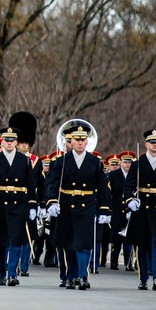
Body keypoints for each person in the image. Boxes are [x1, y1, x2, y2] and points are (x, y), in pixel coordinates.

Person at [46, 124, 111, 290]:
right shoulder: (61, 161)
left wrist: (104, 209)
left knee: (83, 244)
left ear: (87, 142)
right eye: (77, 140)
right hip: (66, 204)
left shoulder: (95, 163)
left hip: (87, 204)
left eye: (83, 140)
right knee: (67, 244)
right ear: (71, 142)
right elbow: (52, 184)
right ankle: (69, 276)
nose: (80, 143)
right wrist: (52, 201)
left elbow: (102, 187)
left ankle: (82, 276)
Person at [0, 127, 39, 286]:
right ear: (2, 142)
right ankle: (1, 274)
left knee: (17, 240)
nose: (9, 143)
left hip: (18, 204)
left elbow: (30, 183)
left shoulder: (25, 160)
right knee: (1, 241)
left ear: (16, 142)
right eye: (6, 140)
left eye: (12, 140)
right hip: (0, 203)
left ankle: (12, 273)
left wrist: (33, 205)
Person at [123, 129, 156, 291]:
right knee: (143, 245)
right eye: (151, 142)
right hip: (142, 208)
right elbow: (129, 186)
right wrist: (130, 201)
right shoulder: (137, 164)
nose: (155, 145)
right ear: (146, 144)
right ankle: (143, 278)